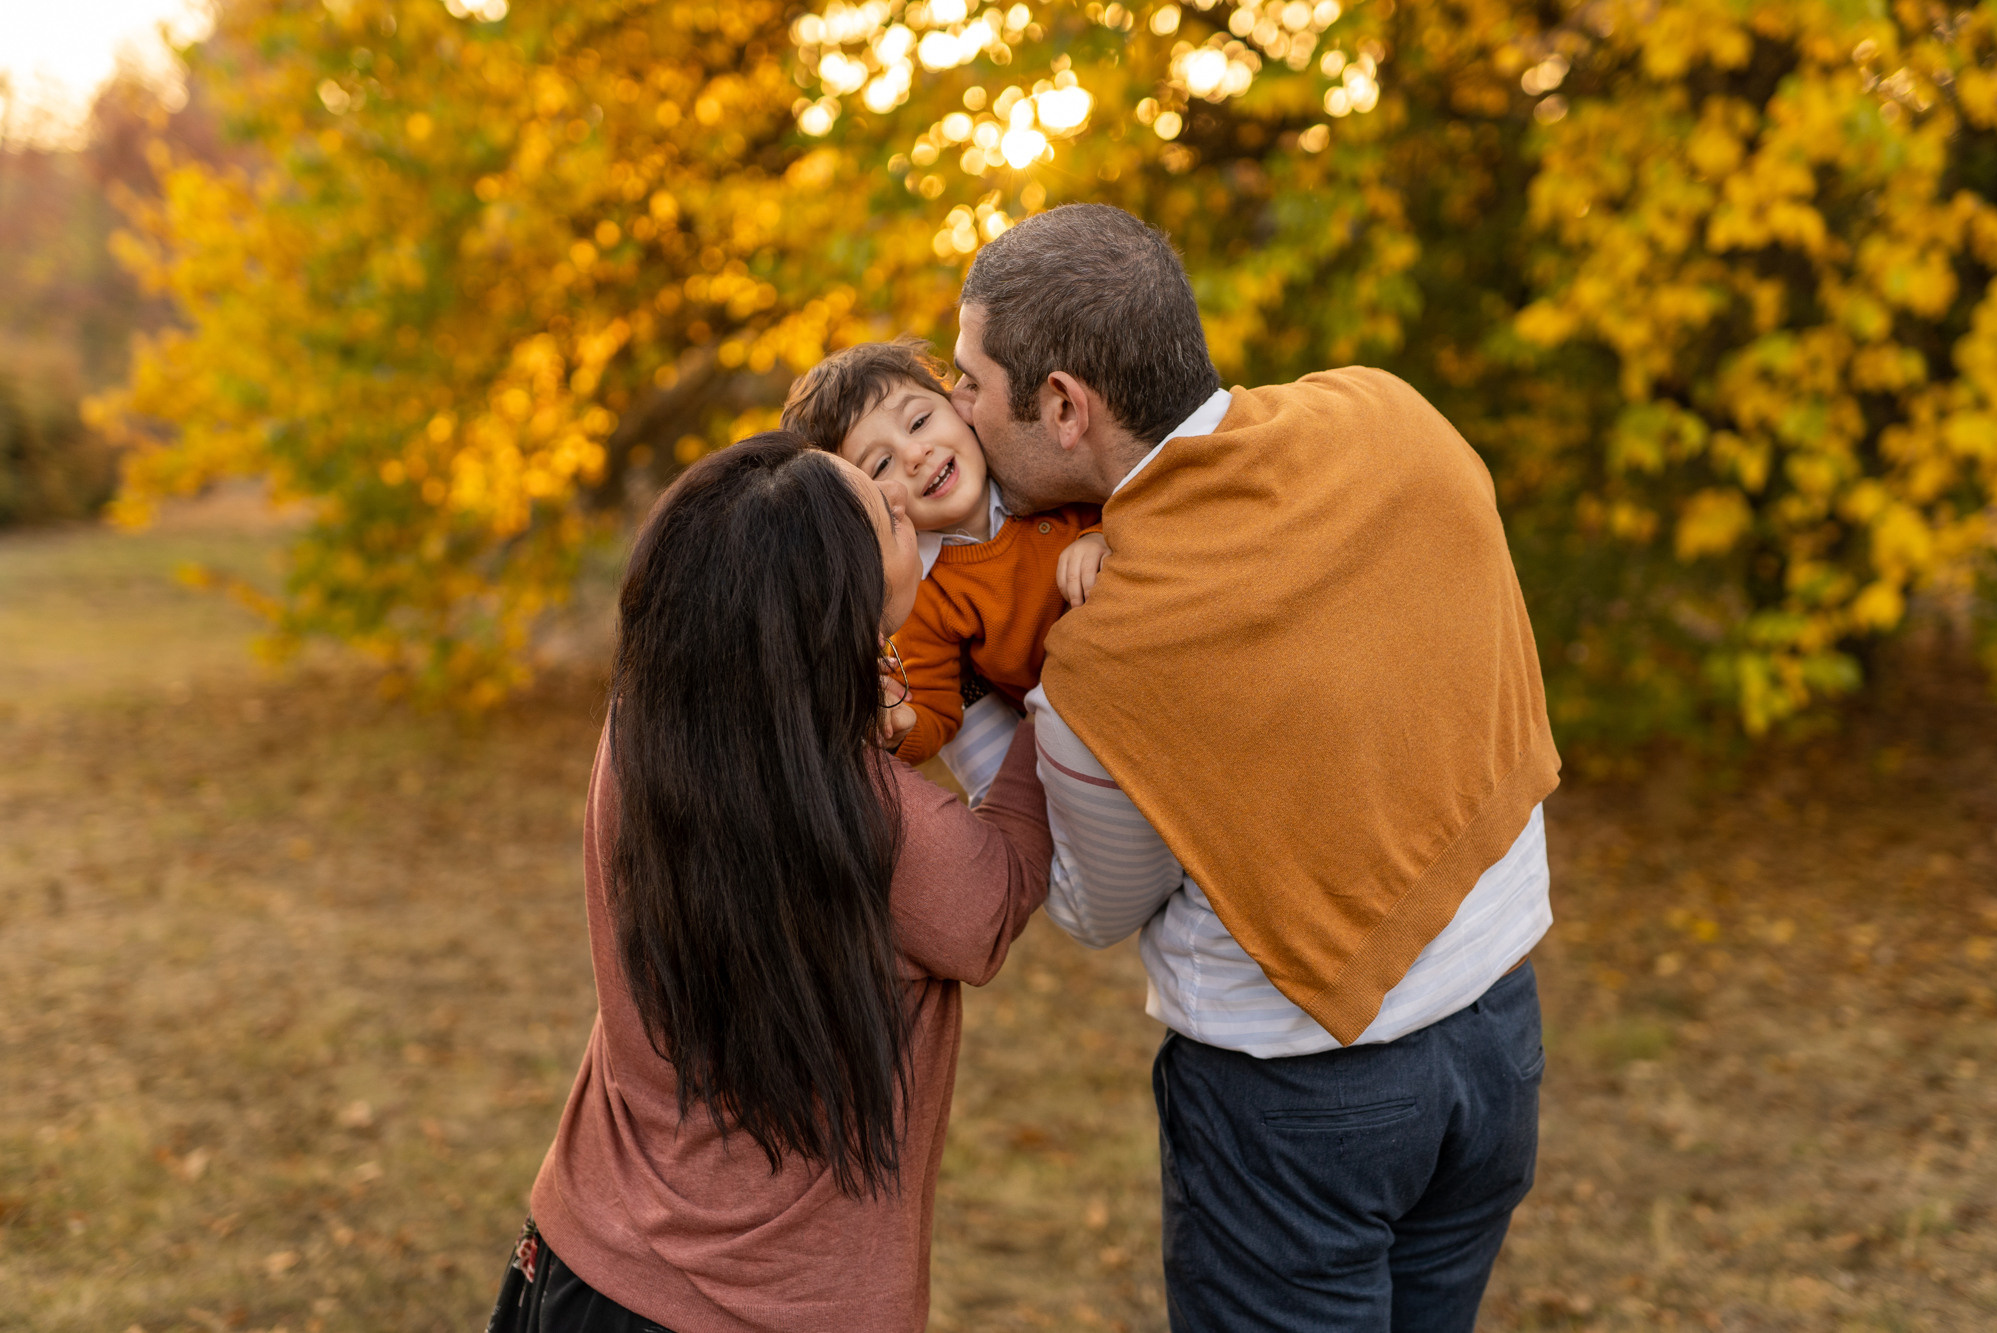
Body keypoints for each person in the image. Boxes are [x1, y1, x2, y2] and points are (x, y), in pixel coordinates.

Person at [950, 203, 1561, 1331]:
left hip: (1294, 1109)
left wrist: (959, 703)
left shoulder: (1112, 653)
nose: (956, 411)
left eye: (969, 382)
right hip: (1501, 1034)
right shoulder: (1387, 415)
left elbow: (1090, 904)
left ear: (1061, 405)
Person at [487, 432, 1053, 1333]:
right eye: (887, 519)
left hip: (586, 1260)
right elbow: (990, 900)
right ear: (838, 614)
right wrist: (1051, 691)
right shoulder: (875, 822)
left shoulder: (644, 729)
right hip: (776, 1306)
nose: (902, 498)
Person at [781, 337, 1106, 793]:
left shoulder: (1038, 464)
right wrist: (900, 724)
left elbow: (1135, 486)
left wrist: (1103, 535)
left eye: (919, 421)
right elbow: (938, 709)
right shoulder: (924, 591)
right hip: (1089, 736)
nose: (916, 456)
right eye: (881, 465)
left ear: (959, 402)